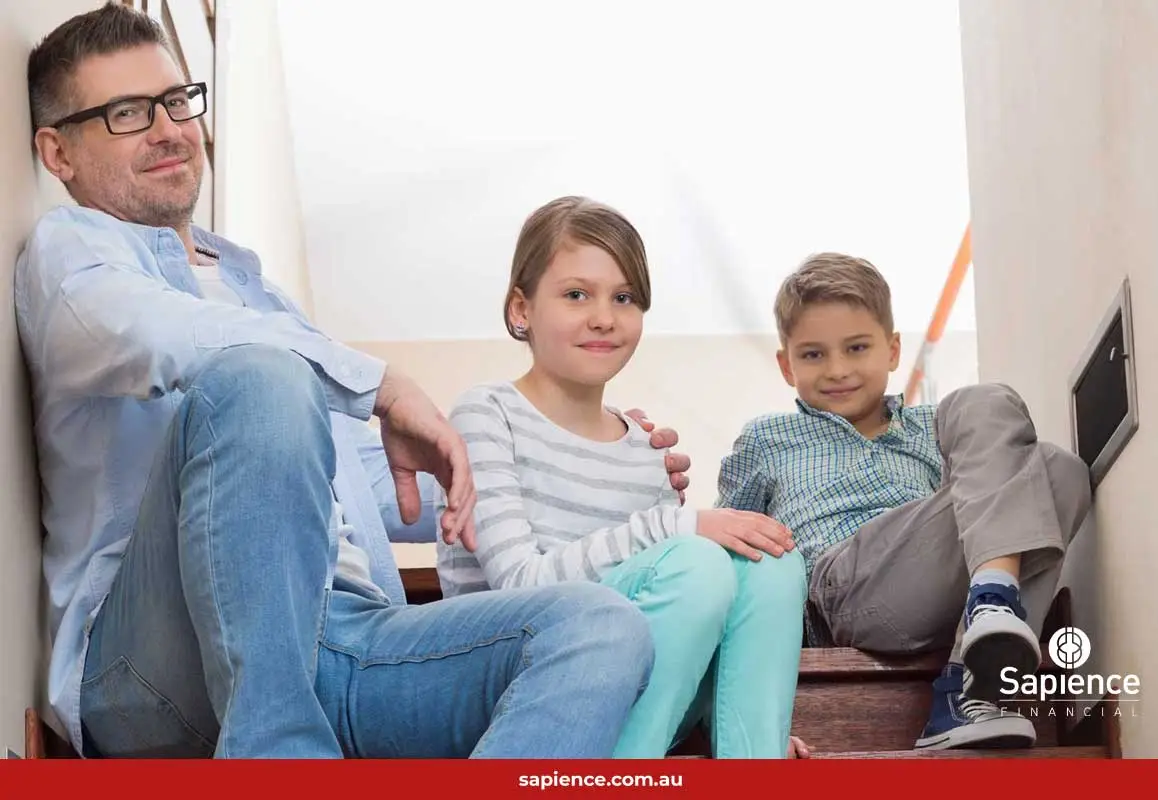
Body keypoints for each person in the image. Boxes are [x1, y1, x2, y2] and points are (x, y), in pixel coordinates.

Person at [17, 3, 694, 759]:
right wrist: (382, 385)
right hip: (154, 666)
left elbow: (381, 490)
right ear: (58, 152)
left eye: (176, 102)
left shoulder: (258, 293)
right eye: (127, 114)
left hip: (343, 645)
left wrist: (574, 457)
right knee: (262, 376)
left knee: (598, 626)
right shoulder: (71, 256)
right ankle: (280, 760)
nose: (171, 128)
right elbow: (160, 336)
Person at [435, 196, 809, 759]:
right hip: (519, 685)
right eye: (576, 294)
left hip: (635, 698)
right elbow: (520, 584)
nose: (604, 316)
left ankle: (753, 760)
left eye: (624, 297)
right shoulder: (487, 413)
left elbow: (675, 628)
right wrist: (677, 526)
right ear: (521, 309)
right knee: (695, 559)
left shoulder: (647, 454)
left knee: (772, 560)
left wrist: (734, 715)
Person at [716, 252, 1093, 750]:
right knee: (1033, 468)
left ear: (892, 350)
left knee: (1060, 469)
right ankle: (996, 609)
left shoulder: (930, 429)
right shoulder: (768, 438)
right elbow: (732, 552)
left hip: (941, 586)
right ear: (786, 365)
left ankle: (971, 675)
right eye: (813, 355)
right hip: (842, 590)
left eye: (856, 348)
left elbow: (993, 497)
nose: (838, 369)